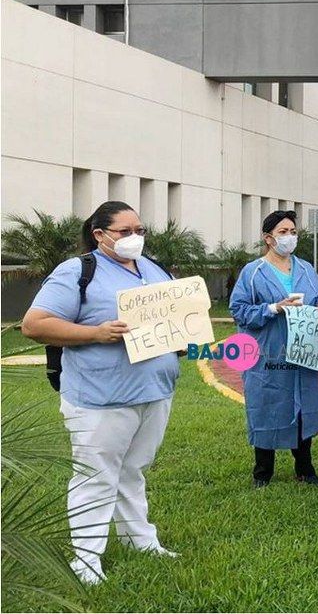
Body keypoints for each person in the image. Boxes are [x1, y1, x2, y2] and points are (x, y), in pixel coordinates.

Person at [21, 201, 180, 584]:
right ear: (100, 234)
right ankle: (86, 558)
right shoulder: (78, 271)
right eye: (125, 232)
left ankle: (139, 539)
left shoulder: (153, 269)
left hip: (153, 392)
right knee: (95, 474)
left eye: (140, 231)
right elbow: (34, 324)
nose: (134, 238)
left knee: (132, 469)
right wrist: (95, 332)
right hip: (100, 396)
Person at [229, 210, 318, 488]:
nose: (290, 237)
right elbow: (239, 310)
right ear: (268, 238)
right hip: (267, 352)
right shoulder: (253, 272)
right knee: (266, 404)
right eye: (283, 232)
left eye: (293, 232)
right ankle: (263, 471)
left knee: (302, 406)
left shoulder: (307, 269)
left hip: (303, 350)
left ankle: (305, 467)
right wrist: (274, 308)